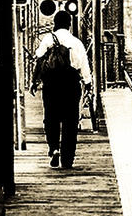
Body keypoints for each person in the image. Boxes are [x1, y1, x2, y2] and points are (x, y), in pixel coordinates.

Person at [31, 10, 92, 169]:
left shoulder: (48, 39)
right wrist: (88, 83)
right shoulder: (76, 42)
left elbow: (39, 59)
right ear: (69, 24)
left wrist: (34, 82)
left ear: (55, 24)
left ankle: (54, 148)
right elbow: (84, 65)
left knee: (51, 117)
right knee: (70, 121)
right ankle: (67, 159)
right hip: (71, 83)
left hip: (51, 84)